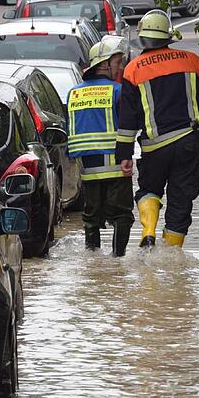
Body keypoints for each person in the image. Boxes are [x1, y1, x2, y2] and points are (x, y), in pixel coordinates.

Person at [115, 10, 199, 249]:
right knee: (180, 200)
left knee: (149, 189)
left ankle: (148, 232)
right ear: (168, 36)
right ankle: (172, 256)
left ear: (143, 38)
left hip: (154, 147)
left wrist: (124, 155)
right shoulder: (192, 61)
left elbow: (127, 120)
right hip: (188, 142)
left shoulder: (133, 70)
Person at [65, 34, 134, 257]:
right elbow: (129, 125)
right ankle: (118, 262)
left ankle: (93, 261)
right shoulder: (118, 91)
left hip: (87, 170)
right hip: (116, 166)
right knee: (122, 215)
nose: (120, 67)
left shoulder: (74, 93)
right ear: (103, 65)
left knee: (91, 218)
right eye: (117, 62)